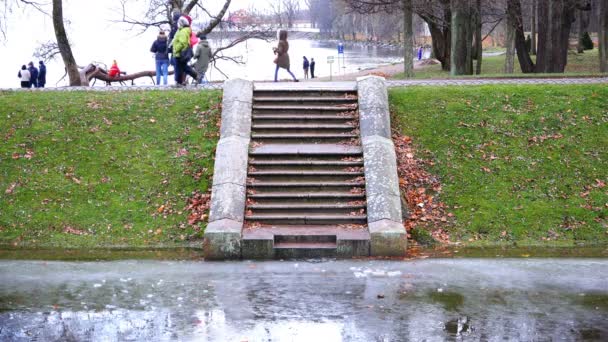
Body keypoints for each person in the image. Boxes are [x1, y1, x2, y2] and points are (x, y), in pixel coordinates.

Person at [173, 16, 197, 86]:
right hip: (181, 53)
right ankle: (179, 82)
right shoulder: (183, 30)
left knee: (180, 68)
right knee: (181, 67)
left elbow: (182, 42)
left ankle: (179, 82)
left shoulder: (183, 31)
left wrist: (176, 49)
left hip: (180, 53)